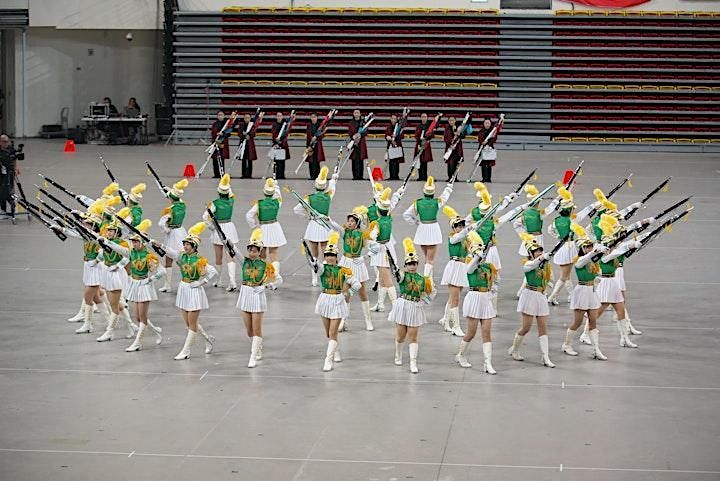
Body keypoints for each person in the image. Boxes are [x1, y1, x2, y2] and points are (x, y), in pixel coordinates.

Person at [153, 222, 218, 360]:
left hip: (194, 291)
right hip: (184, 289)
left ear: (194, 246)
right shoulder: (181, 256)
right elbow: (170, 252)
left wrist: (201, 282)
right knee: (189, 324)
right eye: (184, 244)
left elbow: (213, 272)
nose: (185, 246)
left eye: (187, 244)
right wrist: (159, 244)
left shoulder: (199, 260)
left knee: (192, 324)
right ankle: (208, 339)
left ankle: (186, 350)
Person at [101, 219, 165, 351]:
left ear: (142, 243)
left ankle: (137, 343)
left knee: (142, 318)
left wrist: (151, 279)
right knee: (138, 317)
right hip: (134, 285)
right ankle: (157, 331)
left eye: (136, 241)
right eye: (133, 241)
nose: (133, 244)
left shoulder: (149, 256)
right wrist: (106, 242)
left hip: (145, 287)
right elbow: (119, 249)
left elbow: (162, 271)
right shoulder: (131, 253)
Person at [311, 232, 362, 372]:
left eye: (332, 255)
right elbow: (316, 267)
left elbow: (357, 284)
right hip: (324, 300)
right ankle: (336, 352)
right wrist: (312, 260)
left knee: (333, 332)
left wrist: (349, 293)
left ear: (336, 257)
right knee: (328, 333)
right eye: (327, 255)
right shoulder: (322, 269)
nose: (329, 258)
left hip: (338, 301)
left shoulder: (343, 270)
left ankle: (328, 360)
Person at [234, 228, 280, 368]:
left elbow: (278, 280)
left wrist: (265, 286)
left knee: (257, 328)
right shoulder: (244, 262)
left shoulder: (266, 265)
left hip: (257, 295)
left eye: (254, 250)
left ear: (260, 251)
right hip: (245, 294)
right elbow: (234, 251)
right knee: (249, 330)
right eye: (250, 250)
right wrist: (228, 242)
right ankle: (257, 347)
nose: (252, 253)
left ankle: (253, 356)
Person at [508, 233, 555, 368]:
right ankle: (515, 349)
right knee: (526, 327)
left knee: (543, 328)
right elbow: (532, 265)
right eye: (536, 251)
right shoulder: (527, 263)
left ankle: (545, 357)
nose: (539, 252)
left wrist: (547, 287)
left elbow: (550, 278)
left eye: (540, 250)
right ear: (531, 253)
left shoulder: (545, 264)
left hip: (541, 296)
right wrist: (541, 258)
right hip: (529, 295)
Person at [388, 238, 435, 374]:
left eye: (414, 263)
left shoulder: (423, 279)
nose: (412, 266)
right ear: (406, 265)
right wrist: (394, 269)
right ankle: (398, 354)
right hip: (402, 305)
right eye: (409, 264)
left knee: (413, 337)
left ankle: (413, 362)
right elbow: (398, 276)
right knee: (401, 336)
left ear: (417, 264)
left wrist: (423, 301)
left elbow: (432, 292)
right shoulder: (403, 275)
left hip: (415, 307)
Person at [560, 229, 608, 360]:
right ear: (582, 248)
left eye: (590, 246)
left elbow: (596, 271)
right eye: (586, 247)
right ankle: (566, 345)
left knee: (593, 321)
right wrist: (595, 252)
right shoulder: (578, 260)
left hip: (592, 292)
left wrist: (597, 277)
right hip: (581, 292)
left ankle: (596, 349)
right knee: (577, 322)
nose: (589, 248)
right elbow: (585, 260)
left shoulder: (593, 260)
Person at [455, 231, 497, 373]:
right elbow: (471, 267)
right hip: (474, 298)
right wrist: (478, 254)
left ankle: (488, 363)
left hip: (485, 299)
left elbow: (492, 282)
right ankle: (461, 355)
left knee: (487, 332)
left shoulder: (488, 267)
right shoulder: (469, 265)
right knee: (471, 333)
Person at [331, 205, 377, 332]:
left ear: (357, 223)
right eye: (349, 221)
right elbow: (335, 227)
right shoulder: (344, 232)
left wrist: (365, 257)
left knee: (362, 293)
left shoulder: (363, 235)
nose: (349, 223)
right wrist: (328, 219)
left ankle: (368, 320)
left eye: (352, 221)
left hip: (357, 263)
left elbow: (376, 248)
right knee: (345, 293)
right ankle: (343, 321)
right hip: (346, 263)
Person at [293, 166, 339, 287]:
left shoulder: (309, 198)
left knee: (314, 254)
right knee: (326, 253)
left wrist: (307, 216)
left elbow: (296, 210)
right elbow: (332, 187)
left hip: (313, 225)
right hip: (324, 225)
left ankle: (314, 278)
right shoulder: (328, 196)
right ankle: (326, 276)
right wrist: (334, 178)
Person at [95, 219, 139, 342]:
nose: (109, 232)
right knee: (115, 304)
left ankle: (110, 332)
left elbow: (128, 256)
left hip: (116, 274)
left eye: (111, 231)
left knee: (113, 305)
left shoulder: (122, 243)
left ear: (117, 232)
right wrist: (96, 260)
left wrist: (118, 266)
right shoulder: (105, 241)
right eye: (108, 230)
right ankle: (131, 326)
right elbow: (103, 255)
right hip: (108, 272)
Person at [402, 176, 453, 280]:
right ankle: (427, 281)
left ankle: (430, 279)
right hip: (433, 229)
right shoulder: (436, 202)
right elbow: (445, 196)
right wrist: (449, 187)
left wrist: (416, 222)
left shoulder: (418, 203)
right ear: (433, 192)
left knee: (427, 258)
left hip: (422, 229)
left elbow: (406, 215)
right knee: (430, 260)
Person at [202, 174, 240, 292]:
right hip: (230, 226)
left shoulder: (214, 203)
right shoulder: (231, 200)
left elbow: (205, 217)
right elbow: (231, 192)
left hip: (219, 228)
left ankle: (218, 280)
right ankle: (232, 280)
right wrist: (226, 182)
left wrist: (211, 227)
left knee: (218, 257)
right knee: (231, 255)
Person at [438, 206, 471, 337]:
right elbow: (461, 235)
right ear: (453, 228)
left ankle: (446, 320)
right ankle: (455, 326)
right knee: (456, 298)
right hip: (454, 267)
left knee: (453, 297)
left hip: (463, 267)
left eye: (462, 225)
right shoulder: (453, 237)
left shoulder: (466, 239)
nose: (461, 227)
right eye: (458, 225)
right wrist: (469, 228)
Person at [245, 178, 286, 283]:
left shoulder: (259, 204)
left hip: (263, 228)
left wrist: (254, 226)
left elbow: (249, 215)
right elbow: (279, 196)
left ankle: (263, 277)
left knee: (262, 255)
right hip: (275, 227)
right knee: (274, 254)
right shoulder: (277, 202)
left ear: (264, 192)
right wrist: (276, 186)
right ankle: (275, 277)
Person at [158, 179, 189, 293]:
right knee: (182, 259)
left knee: (169, 260)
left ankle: (167, 285)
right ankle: (187, 280)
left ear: (170, 198)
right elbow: (177, 198)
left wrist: (166, 229)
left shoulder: (169, 210)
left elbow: (161, 223)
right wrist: (170, 190)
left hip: (172, 234)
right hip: (181, 232)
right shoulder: (182, 205)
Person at [547, 186, 577, 306]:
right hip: (568, 248)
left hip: (560, 245)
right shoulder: (572, 221)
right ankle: (552, 296)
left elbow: (550, 230)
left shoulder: (556, 220)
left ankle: (573, 295)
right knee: (564, 276)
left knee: (567, 275)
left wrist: (558, 237)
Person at [0, 134, 22, 220]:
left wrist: (16, 167)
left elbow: (14, 158)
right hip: (1, 174)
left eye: (7, 141)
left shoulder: (10, 148)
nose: (6, 143)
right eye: (4, 142)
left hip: (10, 173)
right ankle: (3, 210)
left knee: (10, 190)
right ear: (0, 142)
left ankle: (13, 207)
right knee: (1, 192)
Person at [348, 109, 369, 181]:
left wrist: (360, 135)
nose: (356, 114)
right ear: (353, 114)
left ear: (360, 114)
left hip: (361, 143)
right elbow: (350, 132)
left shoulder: (363, 122)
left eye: (358, 113)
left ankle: (360, 176)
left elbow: (366, 131)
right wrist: (353, 137)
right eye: (355, 113)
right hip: (354, 143)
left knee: (360, 159)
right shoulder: (351, 123)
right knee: (354, 159)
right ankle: (355, 176)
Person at [413, 113, 434, 182]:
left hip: (426, 146)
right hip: (419, 145)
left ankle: (424, 176)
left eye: (425, 117)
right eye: (422, 117)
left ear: (427, 118)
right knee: (419, 161)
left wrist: (426, 139)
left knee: (425, 162)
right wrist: (419, 144)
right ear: (421, 118)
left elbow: (432, 135)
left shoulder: (429, 126)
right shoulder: (418, 126)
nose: (424, 118)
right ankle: (420, 176)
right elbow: (416, 135)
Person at [210, 111, 231, 179]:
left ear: (224, 116)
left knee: (221, 159)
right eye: (219, 115)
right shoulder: (215, 124)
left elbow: (229, 133)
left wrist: (223, 134)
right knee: (215, 159)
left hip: (223, 143)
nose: (220, 116)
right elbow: (213, 132)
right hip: (216, 142)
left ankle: (222, 173)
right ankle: (216, 174)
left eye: (221, 115)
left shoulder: (226, 124)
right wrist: (217, 134)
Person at [305, 112, 326, 180]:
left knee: (317, 161)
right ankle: (312, 176)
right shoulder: (309, 125)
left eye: (314, 117)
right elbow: (308, 135)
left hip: (317, 145)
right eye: (312, 117)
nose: (313, 118)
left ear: (317, 118)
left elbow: (322, 135)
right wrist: (308, 144)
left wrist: (316, 138)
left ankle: (317, 175)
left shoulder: (320, 125)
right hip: (310, 145)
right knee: (311, 161)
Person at [270, 112, 291, 180]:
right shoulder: (274, 124)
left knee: (282, 161)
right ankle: (275, 175)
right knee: (275, 161)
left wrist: (281, 140)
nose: (279, 117)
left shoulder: (285, 125)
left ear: (282, 117)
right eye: (278, 116)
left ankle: (282, 175)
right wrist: (276, 141)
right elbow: (273, 133)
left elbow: (286, 134)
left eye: (280, 116)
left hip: (283, 145)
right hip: (276, 145)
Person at [238, 112, 258, 179]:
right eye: (245, 118)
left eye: (248, 118)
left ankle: (249, 174)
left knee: (250, 160)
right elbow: (239, 133)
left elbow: (254, 133)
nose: (246, 119)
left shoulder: (252, 125)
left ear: (250, 118)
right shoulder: (241, 125)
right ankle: (243, 174)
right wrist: (243, 135)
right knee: (243, 160)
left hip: (250, 145)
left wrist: (249, 135)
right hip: (243, 144)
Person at [443, 116, 463, 182]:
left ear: (455, 121)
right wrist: (450, 145)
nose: (451, 121)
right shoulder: (446, 128)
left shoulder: (458, 128)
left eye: (453, 120)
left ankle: (455, 177)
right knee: (450, 163)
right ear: (448, 121)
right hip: (450, 148)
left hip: (457, 149)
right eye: (450, 120)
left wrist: (459, 134)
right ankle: (450, 177)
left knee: (456, 163)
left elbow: (463, 136)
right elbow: (445, 138)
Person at [385, 113, 404, 181]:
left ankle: (396, 176)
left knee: (396, 162)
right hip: (390, 146)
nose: (393, 120)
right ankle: (391, 176)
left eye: (394, 119)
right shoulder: (388, 126)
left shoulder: (399, 127)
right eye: (392, 118)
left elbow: (402, 136)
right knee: (391, 162)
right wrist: (388, 137)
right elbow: (386, 135)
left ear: (396, 120)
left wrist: (396, 137)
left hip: (397, 146)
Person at [477, 117, 497, 183]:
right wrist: (482, 142)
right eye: (486, 123)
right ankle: (484, 178)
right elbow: (479, 139)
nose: (487, 124)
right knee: (483, 164)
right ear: (483, 124)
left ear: (490, 123)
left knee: (489, 164)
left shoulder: (492, 131)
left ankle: (488, 178)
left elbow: (494, 139)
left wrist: (488, 144)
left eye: (488, 123)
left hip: (490, 149)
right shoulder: (481, 131)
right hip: (482, 149)